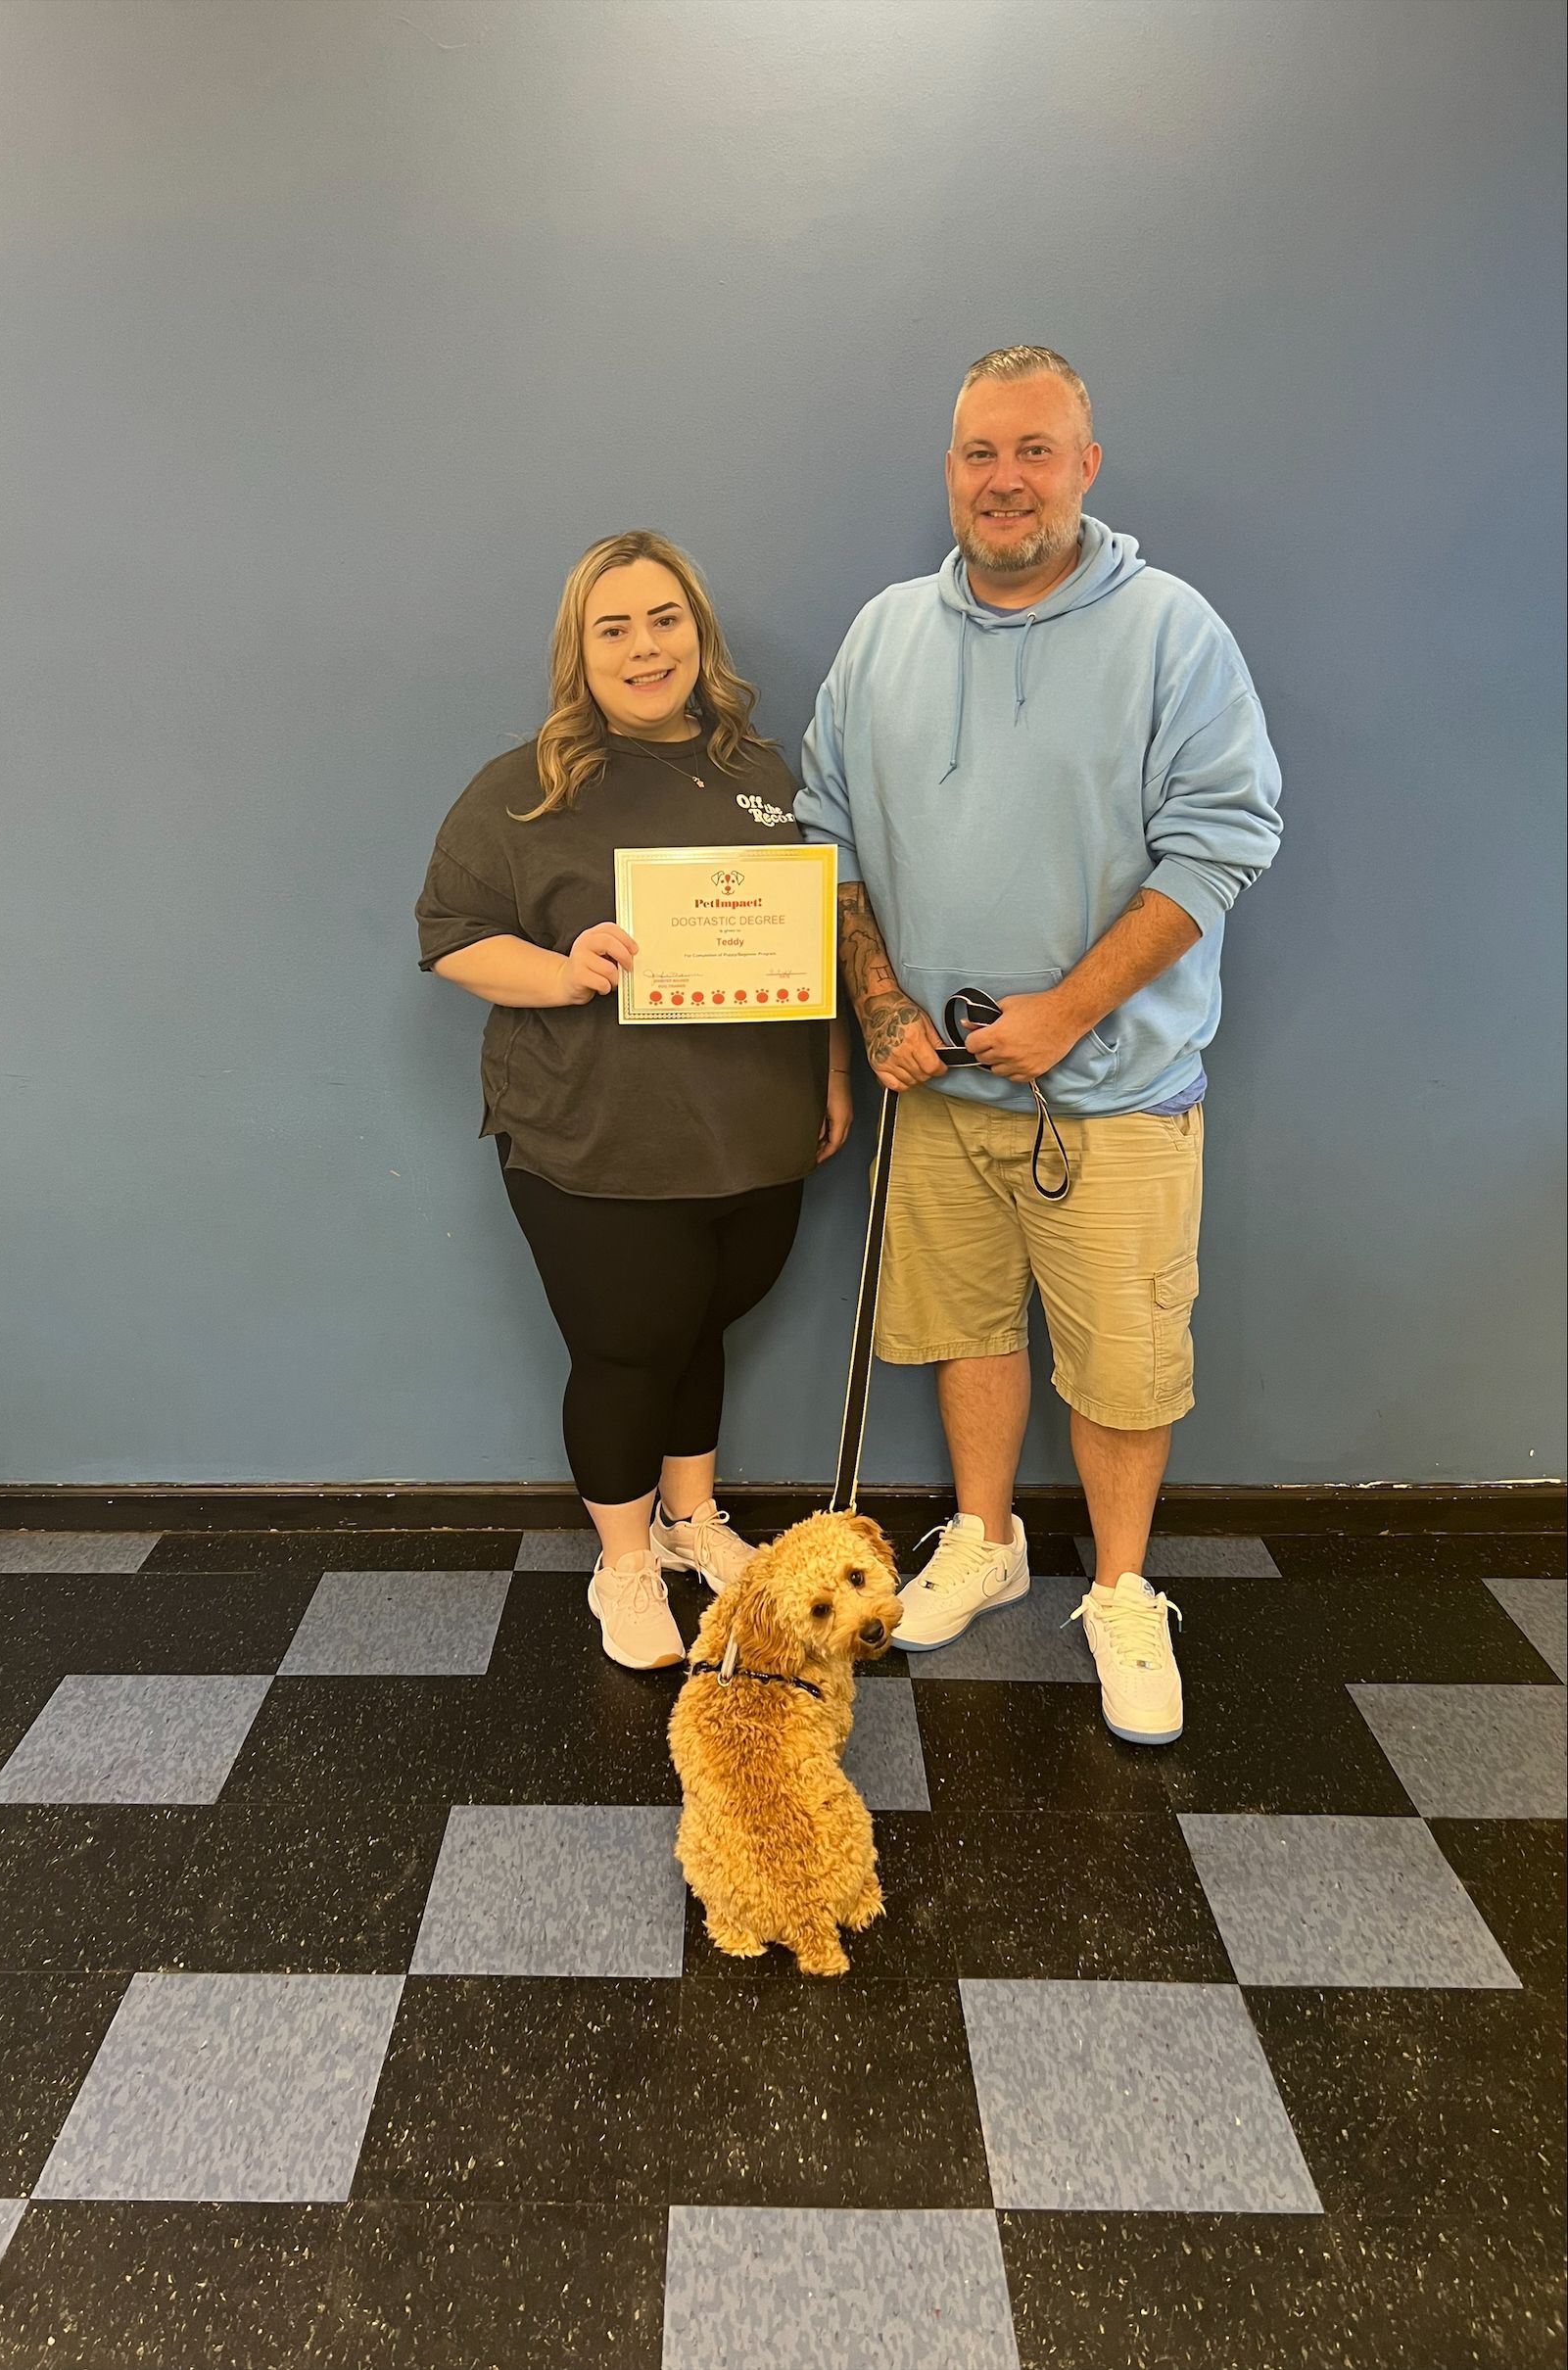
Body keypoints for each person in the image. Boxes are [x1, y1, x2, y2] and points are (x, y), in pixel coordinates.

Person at [796, 347, 1282, 1745]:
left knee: (1125, 1363)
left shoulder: (1172, 630)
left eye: (1034, 450)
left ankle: (1122, 1590)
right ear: (949, 469)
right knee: (964, 1328)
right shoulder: (883, 633)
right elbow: (825, 827)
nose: (1004, 480)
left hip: (1113, 1094)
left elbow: (1225, 837)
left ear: (1085, 466)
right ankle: (988, 1537)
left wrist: (1066, 1011)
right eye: (979, 453)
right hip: (938, 1092)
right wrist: (879, 1004)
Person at [418, 530, 854, 1670]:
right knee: (626, 1348)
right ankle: (623, 1561)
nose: (643, 647)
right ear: (580, 651)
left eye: (664, 619)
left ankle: (689, 1517)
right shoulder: (523, 787)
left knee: (700, 1323)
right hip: (592, 1133)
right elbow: (450, 935)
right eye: (612, 628)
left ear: (698, 633)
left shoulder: (769, 776)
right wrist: (564, 970)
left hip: (754, 1125)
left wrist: (831, 1073)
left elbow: (815, 941)